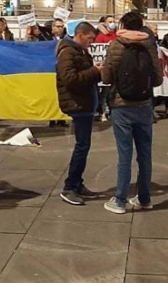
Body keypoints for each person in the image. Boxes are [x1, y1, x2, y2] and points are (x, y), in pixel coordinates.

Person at [101, 11, 162, 214]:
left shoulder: (116, 44)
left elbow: (107, 77)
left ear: (123, 25)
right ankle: (144, 198)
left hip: (121, 104)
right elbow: (158, 79)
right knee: (145, 153)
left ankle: (120, 200)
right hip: (144, 105)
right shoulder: (149, 44)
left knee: (124, 153)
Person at [56, 22, 104, 205]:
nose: (92, 42)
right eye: (90, 38)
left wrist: (96, 71)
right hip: (77, 104)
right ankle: (70, 187)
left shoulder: (79, 51)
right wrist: (94, 71)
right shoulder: (68, 52)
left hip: (84, 103)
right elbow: (69, 79)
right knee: (82, 146)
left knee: (83, 145)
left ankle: (77, 184)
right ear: (81, 34)